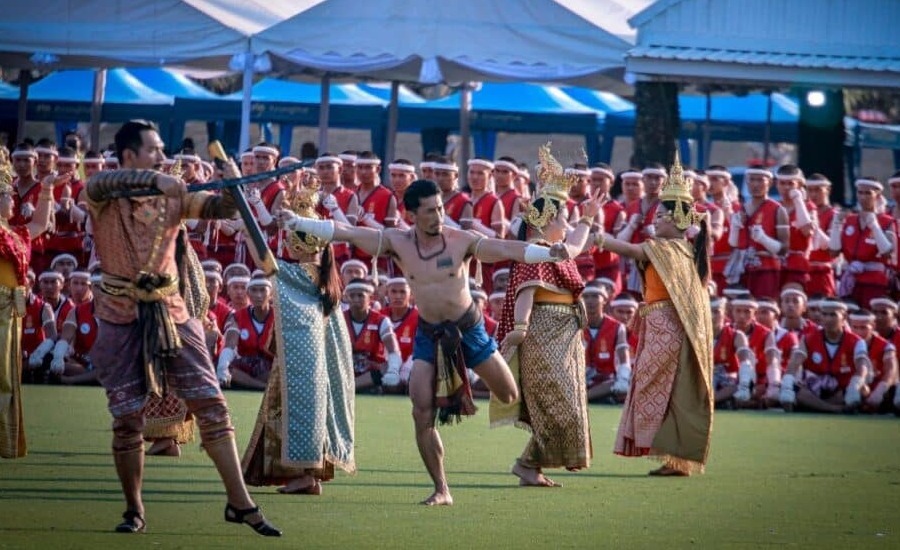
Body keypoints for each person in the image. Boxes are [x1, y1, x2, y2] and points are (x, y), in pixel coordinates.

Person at [279, 177, 573, 506]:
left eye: (440, 208)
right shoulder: (397, 241)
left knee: (508, 393)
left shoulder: (460, 239)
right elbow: (347, 232)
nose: (439, 216)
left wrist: (547, 252)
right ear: (412, 215)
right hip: (429, 332)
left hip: (468, 328)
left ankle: (510, 436)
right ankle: (441, 489)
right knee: (421, 410)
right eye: (430, 211)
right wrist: (300, 222)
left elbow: (505, 248)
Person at [84, 120, 279, 535]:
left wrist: (231, 187)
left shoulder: (174, 196)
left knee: (212, 405)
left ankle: (240, 502)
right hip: (120, 315)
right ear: (129, 156)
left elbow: (220, 210)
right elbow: (102, 184)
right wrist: (157, 180)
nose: (163, 156)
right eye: (154, 150)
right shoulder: (103, 192)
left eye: (162, 150)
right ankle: (134, 510)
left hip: (172, 311)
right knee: (126, 419)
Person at [594, 155, 713, 476]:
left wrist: (595, 233)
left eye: (661, 216)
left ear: (677, 222)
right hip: (664, 325)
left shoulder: (664, 248)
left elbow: (629, 250)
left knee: (651, 385)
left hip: (665, 328)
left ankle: (675, 456)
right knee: (672, 389)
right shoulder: (686, 251)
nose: (655, 221)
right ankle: (676, 459)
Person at [242, 182, 355, 495]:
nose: (287, 247)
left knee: (303, 408)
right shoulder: (323, 273)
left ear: (303, 245)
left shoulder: (305, 272)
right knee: (300, 408)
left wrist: (246, 226)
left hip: (305, 361)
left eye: (291, 241)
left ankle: (306, 475)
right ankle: (307, 476)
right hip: (303, 357)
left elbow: (268, 265)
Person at [0, 162, 59, 458]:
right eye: (8, 195)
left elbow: (38, 225)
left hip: (11, 309)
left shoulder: (13, 233)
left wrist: (47, 190)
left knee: (8, 374)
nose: (14, 200)